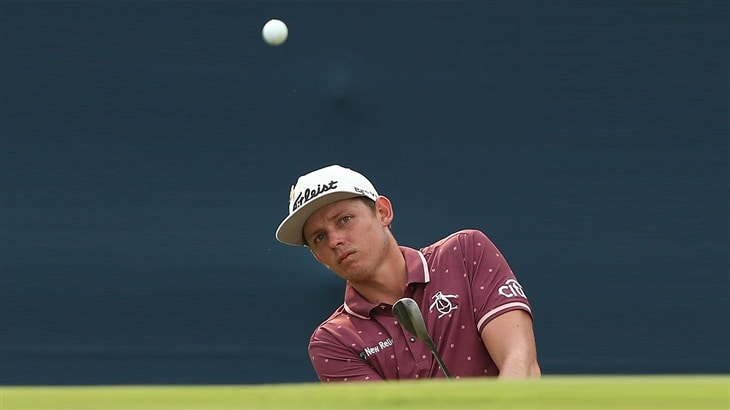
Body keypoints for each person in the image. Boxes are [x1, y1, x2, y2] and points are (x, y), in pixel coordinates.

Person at [275, 164, 541, 382]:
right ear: (318, 256)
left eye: (344, 219)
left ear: (382, 212)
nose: (335, 240)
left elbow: (521, 364)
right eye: (320, 237)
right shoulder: (332, 341)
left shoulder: (465, 252)